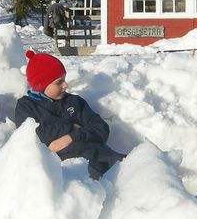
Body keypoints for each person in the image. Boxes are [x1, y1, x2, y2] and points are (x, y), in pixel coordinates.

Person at [13, 50, 124, 179]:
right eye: (59, 82)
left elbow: (101, 128)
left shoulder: (74, 102)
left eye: (64, 79)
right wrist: (73, 127)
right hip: (74, 170)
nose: (65, 85)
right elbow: (33, 135)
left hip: (104, 157)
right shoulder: (27, 106)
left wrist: (72, 136)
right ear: (41, 85)